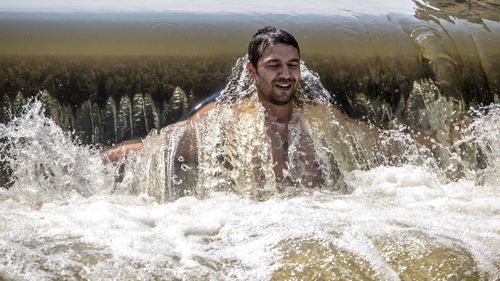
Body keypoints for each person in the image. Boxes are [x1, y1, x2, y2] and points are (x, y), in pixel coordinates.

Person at [102, 26, 461, 200]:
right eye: (274, 65)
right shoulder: (225, 119)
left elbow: (380, 144)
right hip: (257, 232)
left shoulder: (320, 118)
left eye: (293, 65)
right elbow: (160, 149)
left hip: (329, 224)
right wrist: (98, 161)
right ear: (251, 71)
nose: (286, 75)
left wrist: (447, 141)